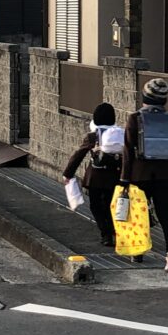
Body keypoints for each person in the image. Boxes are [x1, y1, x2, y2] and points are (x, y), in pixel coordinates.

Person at [120, 78, 168, 273]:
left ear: (144, 97)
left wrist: (124, 179)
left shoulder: (135, 118)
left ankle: (138, 252)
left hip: (140, 175)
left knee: (139, 213)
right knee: (166, 214)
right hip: (165, 175)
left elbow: (127, 150)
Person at [63, 103, 122, 247]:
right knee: (111, 204)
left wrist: (68, 174)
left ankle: (106, 234)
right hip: (115, 176)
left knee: (95, 206)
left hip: (95, 177)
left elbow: (78, 155)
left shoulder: (92, 136)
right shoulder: (119, 134)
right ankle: (115, 231)